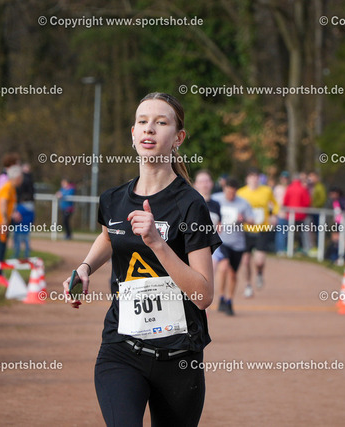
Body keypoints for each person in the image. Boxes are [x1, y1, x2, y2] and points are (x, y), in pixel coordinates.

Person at [62, 92, 221, 427]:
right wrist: (85, 267)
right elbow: (109, 236)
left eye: (161, 123)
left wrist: (158, 244)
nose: (149, 129)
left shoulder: (191, 205)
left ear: (178, 138)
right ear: (133, 134)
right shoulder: (113, 199)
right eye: (143, 122)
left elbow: (203, 295)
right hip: (121, 349)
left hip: (179, 358)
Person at [212, 178, 254, 315]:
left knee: (233, 274)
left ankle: (229, 300)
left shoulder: (243, 203)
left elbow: (252, 221)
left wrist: (244, 219)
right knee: (223, 267)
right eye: (228, 192)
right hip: (221, 241)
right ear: (224, 189)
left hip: (237, 243)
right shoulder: (216, 199)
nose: (230, 195)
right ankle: (221, 296)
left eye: (233, 193)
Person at [237, 168, 278, 298]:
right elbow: (236, 208)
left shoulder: (266, 191)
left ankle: (259, 273)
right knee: (245, 261)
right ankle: (248, 285)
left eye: (256, 176)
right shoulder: (241, 193)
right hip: (246, 230)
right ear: (247, 179)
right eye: (251, 176)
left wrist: (273, 215)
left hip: (262, 229)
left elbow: (275, 204)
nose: (254, 179)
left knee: (259, 261)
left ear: (259, 178)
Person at [0, 165, 23, 286]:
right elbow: (2, 202)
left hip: (2, 220)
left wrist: (12, 215)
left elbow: (7, 205)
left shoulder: (11, 187)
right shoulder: (8, 187)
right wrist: (4, 220)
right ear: (17, 177)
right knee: (1, 247)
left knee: (2, 246)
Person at [281, 173, 311, 254]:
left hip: (290, 215)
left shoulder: (289, 188)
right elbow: (307, 202)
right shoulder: (302, 189)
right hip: (301, 215)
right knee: (301, 233)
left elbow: (285, 201)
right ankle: (300, 248)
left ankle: (288, 247)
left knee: (289, 232)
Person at [273, 171, 290, 255]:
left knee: (286, 232)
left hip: (288, 214)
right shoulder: (277, 188)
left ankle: (284, 248)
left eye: (285, 178)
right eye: (283, 178)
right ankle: (280, 249)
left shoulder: (289, 188)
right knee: (281, 232)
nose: (284, 180)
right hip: (279, 213)